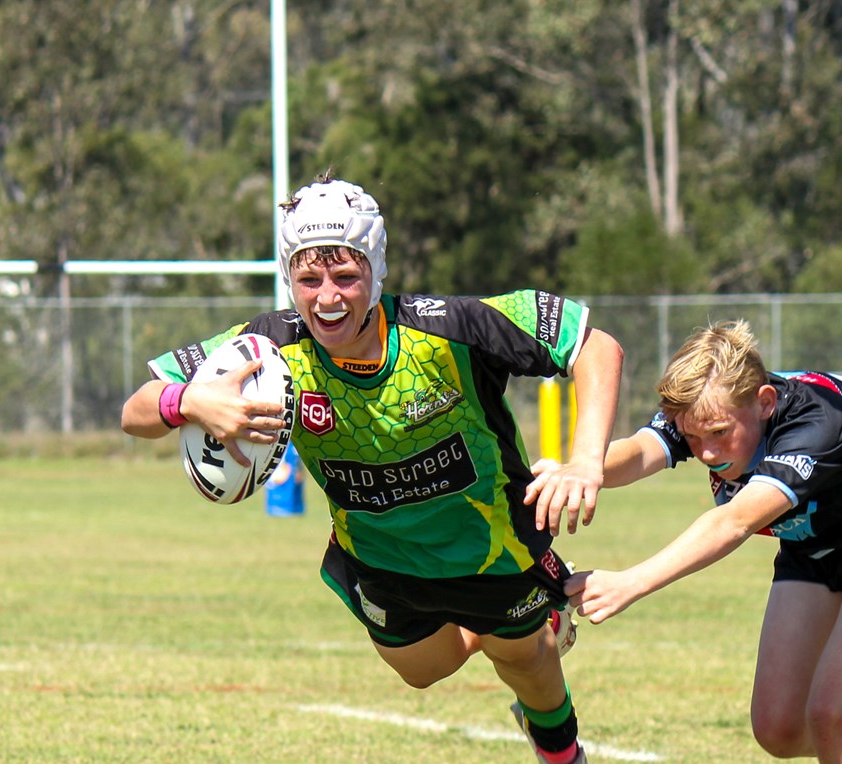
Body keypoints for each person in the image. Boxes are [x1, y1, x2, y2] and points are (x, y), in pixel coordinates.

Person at [121, 174, 624, 764]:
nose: (326, 297)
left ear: (376, 272)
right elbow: (135, 410)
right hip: (383, 561)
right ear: (290, 280)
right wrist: (191, 402)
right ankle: (536, 621)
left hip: (495, 548)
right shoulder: (268, 348)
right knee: (422, 672)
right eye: (308, 279)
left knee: (522, 659)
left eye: (345, 276)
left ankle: (562, 748)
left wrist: (587, 460)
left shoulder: (447, 329)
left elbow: (594, 345)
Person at [547, 320, 842, 764]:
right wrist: (581, 469)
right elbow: (641, 451)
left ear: (764, 403)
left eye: (720, 434)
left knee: (832, 719)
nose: (705, 452)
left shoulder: (817, 427)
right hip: (816, 538)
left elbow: (734, 522)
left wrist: (632, 582)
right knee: (779, 730)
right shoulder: (708, 410)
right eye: (691, 437)